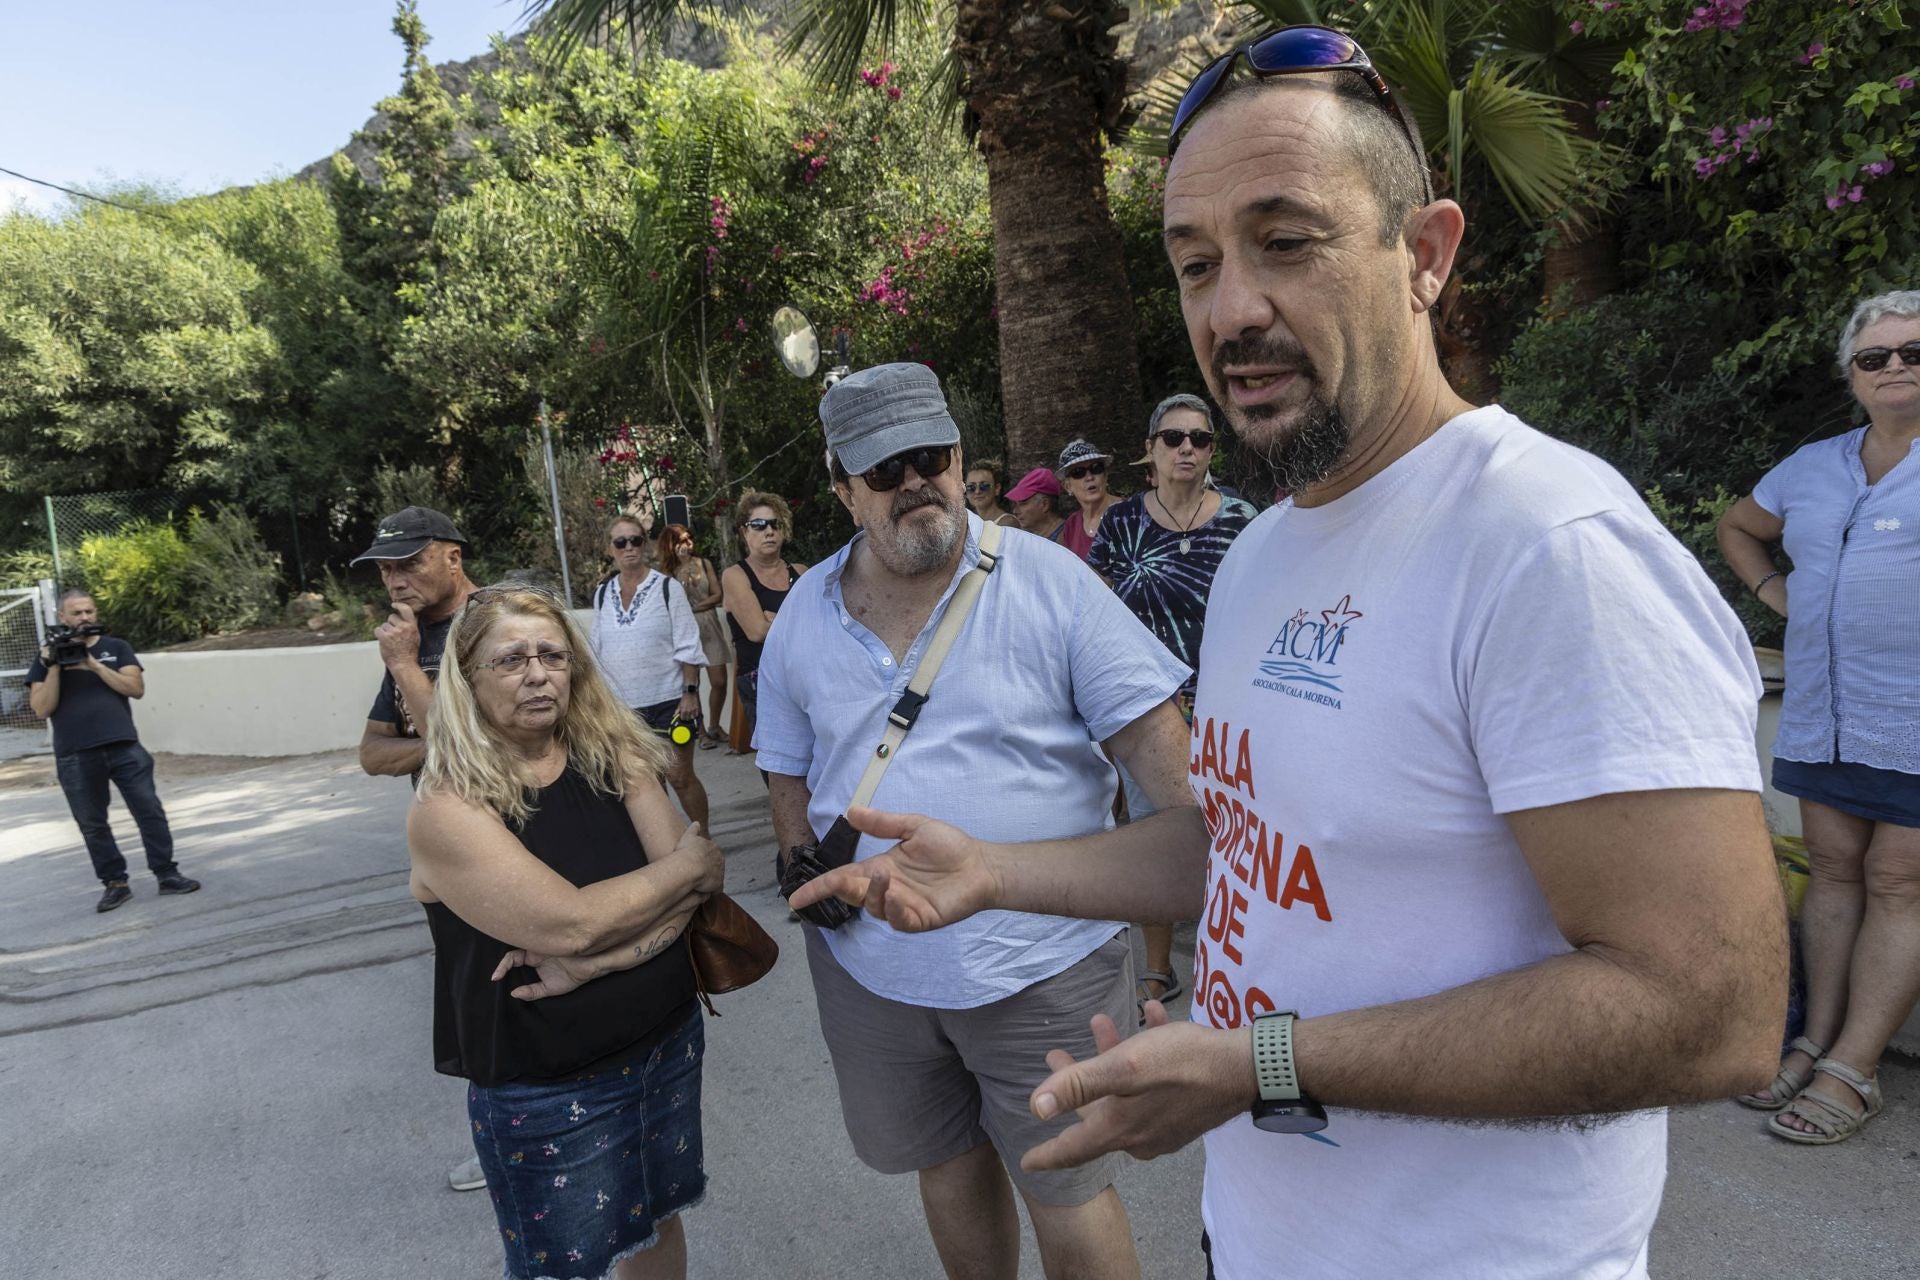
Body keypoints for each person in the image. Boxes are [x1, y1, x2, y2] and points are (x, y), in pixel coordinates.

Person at [794, 32, 1785, 1279]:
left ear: (1425, 254)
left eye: (1287, 241)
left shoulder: (1546, 545)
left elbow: (1712, 1010)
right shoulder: (1270, 546)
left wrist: (1252, 1062)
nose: (1232, 308)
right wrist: (998, 870)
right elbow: (1249, 839)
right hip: (1259, 1239)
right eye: (1196, 262)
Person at [756, 362, 1193, 1280]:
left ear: (958, 456)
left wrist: (1188, 955)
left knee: (1064, 1181)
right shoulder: (802, 610)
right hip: (872, 973)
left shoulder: (1053, 584)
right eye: (885, 470)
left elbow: (1179, 785)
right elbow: (785, 760)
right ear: (842, 491)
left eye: (931, 457)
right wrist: (799, 852)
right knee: (947, 1168)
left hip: (1041, 964)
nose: (916, 482)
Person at [408, 582, 726, 1280]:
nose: (536, 673)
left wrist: (599, 964)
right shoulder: (449, 805)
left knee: (655, 1228)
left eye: (553, 655)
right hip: (549, 1087)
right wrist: (678, 872)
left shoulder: (615, 754)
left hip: (667, 1044)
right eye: (511, 659)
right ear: (466, 679)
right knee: (560, 1269)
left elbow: (701, 887)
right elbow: (574, 923)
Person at [1718, 288, 1920, 1145]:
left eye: (1914, 352)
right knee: (1834, 874)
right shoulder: (1810, 466)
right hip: (1826, 713)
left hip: (1911, 716)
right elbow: (1738, 527)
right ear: (1852, 374)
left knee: (1898, 884)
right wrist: (1776, 592)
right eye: (1876, 357)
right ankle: (1811, 1042)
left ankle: (1855, 1068)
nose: (1897, 368)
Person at [1088, 393, 1257, 1017]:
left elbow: (1267, 611)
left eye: (1201, 438)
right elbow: (1098, 620)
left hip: (1228, 708)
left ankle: (1237, 958)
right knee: (1157, 836)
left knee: (1236, 833)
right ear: (1151, 450)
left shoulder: (1243, 518)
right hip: (1146, 711)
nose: (1188, 448)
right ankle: (1159, 968)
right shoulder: (1122, 523)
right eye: (1174, 438)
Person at [350, 504, 485, 1194]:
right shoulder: (408, 639)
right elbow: (372, 753)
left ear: (452, 555)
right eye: (383, 566)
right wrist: (432, 744)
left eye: (408, 561)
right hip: (445, 856)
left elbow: (483, 750)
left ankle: (530, 1138)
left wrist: (407, 668)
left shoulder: (493, 622)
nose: (392, 578)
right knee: (472, 1002)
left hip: (511, 842)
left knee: (522, 991)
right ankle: (500, 1139)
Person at [26, 590, 200, 912]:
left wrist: (93, 665)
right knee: (92, 823)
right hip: (75, 754)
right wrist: (53, 666)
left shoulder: (116, 648)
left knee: (149, 810)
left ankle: (167, 874)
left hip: (124, 747)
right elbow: (41, 709)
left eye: (89, 611)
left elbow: (135, 689)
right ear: (62, 618)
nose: (85, 618)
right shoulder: (44, 657)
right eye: (76, 613)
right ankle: (115, 884)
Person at [589, 515, 710, 831]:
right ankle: (669, 845)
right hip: (622, 710)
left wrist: (690, 692)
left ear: (645, 544)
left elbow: (687, 643)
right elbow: (597, 652)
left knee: (679, 776)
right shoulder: (602, 594)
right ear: (609, 549)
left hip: (669, 703)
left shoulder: (667, 589)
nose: (629, 548)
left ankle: (705, 838)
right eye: (621, 542)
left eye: (636, 540)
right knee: (648, 785)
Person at [719, 492, 806, 753]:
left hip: (805, 677)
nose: (768, 531)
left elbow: (821, 627)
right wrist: (797, 623)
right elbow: (757, 631)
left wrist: (775, 620)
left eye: (774, 523)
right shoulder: (735, 575)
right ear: (744, 532)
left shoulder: (801, 572)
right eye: (758, 525)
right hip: (762, 685)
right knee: (780, 767)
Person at [658, 523, 734, 749]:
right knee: (693, 681)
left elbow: (717, 594)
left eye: (689, 539)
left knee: (719, 680)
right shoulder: (666, 573)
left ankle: (715, 725)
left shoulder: (704, 563)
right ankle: (700, 732)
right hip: (684, 629)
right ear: (672, 545)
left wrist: (698, 606)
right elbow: (670, 602)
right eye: (681, 540)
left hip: (709, 624)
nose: (688, 544)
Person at [1054, 439, 1120, 562]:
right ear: (1068, 486)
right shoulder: (1071, 525)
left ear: (1105, 475)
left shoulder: (1130, 512)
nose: (1089, 477)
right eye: (1078, 472)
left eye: (1096, 468)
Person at [1002, 468, 1067, 542]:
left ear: (1044, 504)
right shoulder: (1026, 534)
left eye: (1023, 503)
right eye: (1015, 504)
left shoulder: (1067, 537)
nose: (1015, 511)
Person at [963, 457, 1018, 526]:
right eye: (971, 487)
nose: (977, 491)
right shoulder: (968, 524)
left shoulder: (1008, 523)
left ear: (997, 489)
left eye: (984, 486)